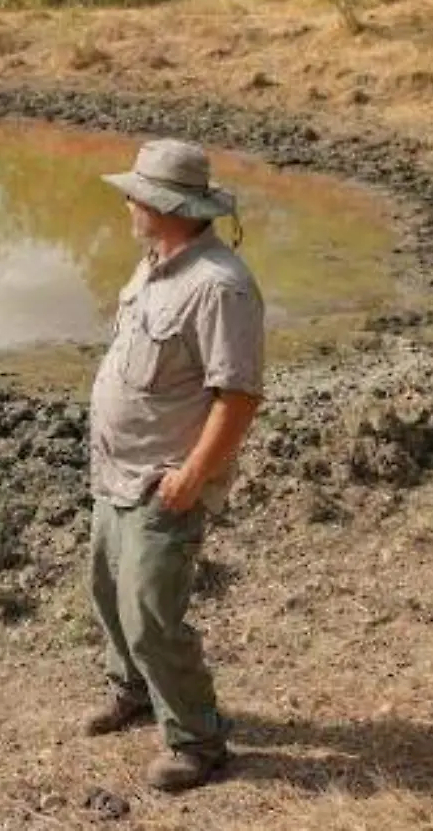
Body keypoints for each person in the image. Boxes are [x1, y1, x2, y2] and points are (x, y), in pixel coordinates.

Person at [84, 138, 266, 792]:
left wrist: (192, 475)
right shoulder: (155, 261)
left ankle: (197, 739)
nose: (128, 201)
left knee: (151, 611)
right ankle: (132, 689)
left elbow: (238, 395)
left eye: (136, 193)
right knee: (108, 591)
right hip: (117, 471)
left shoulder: (221, 286)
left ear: (163, 204)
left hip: (166, 482)